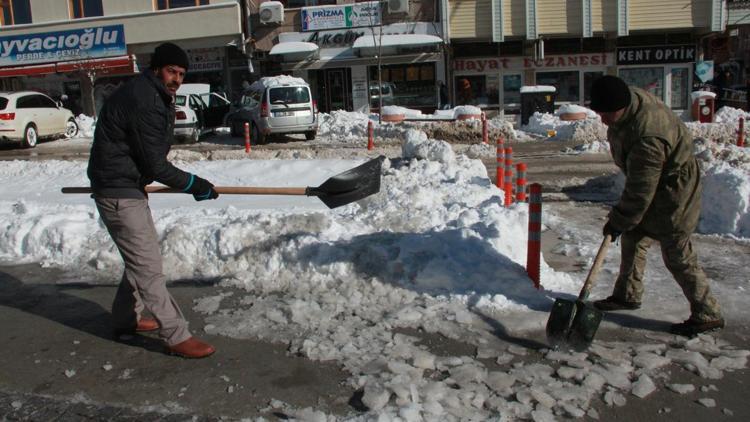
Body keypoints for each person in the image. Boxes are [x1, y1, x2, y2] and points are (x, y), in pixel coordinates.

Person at [88, 43, 218, 358]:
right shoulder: (144, 98)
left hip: (125, 186)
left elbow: (149, 158)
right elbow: (155, 165)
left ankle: (125, 320)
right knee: (148, 266)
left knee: (140, 259)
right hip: (118, 191)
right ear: (157, 68)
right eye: (172, 71)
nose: (176, 79)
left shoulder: (153, 94)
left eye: (182, 74)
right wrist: (194, 184)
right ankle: (176, 335)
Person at [589, 75, 724, 337]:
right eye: (599, 112)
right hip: (656, 178)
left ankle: (708, 311)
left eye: (607, 113)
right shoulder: (626, 102)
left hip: (675, 187)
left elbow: (640, 192)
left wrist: (619, 219)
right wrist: (625, 223)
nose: (603, 119)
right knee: (634, 234)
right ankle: (628, 294)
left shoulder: (648, 137)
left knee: (676, 249)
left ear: (623, 106)